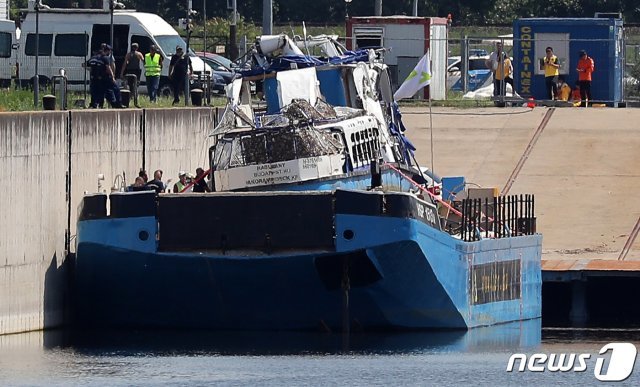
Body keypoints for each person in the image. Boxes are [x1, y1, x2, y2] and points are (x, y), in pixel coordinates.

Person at [120, 42, 144, 108]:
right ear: (137, 48)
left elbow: (124, 64)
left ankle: (131, 98)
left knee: (130, 86)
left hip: (130, 71)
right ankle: (135, 99)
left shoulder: (128, 54)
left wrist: (122, 73)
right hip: (136, 71)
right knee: (136, 85)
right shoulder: (139, 54)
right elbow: (143, 61)